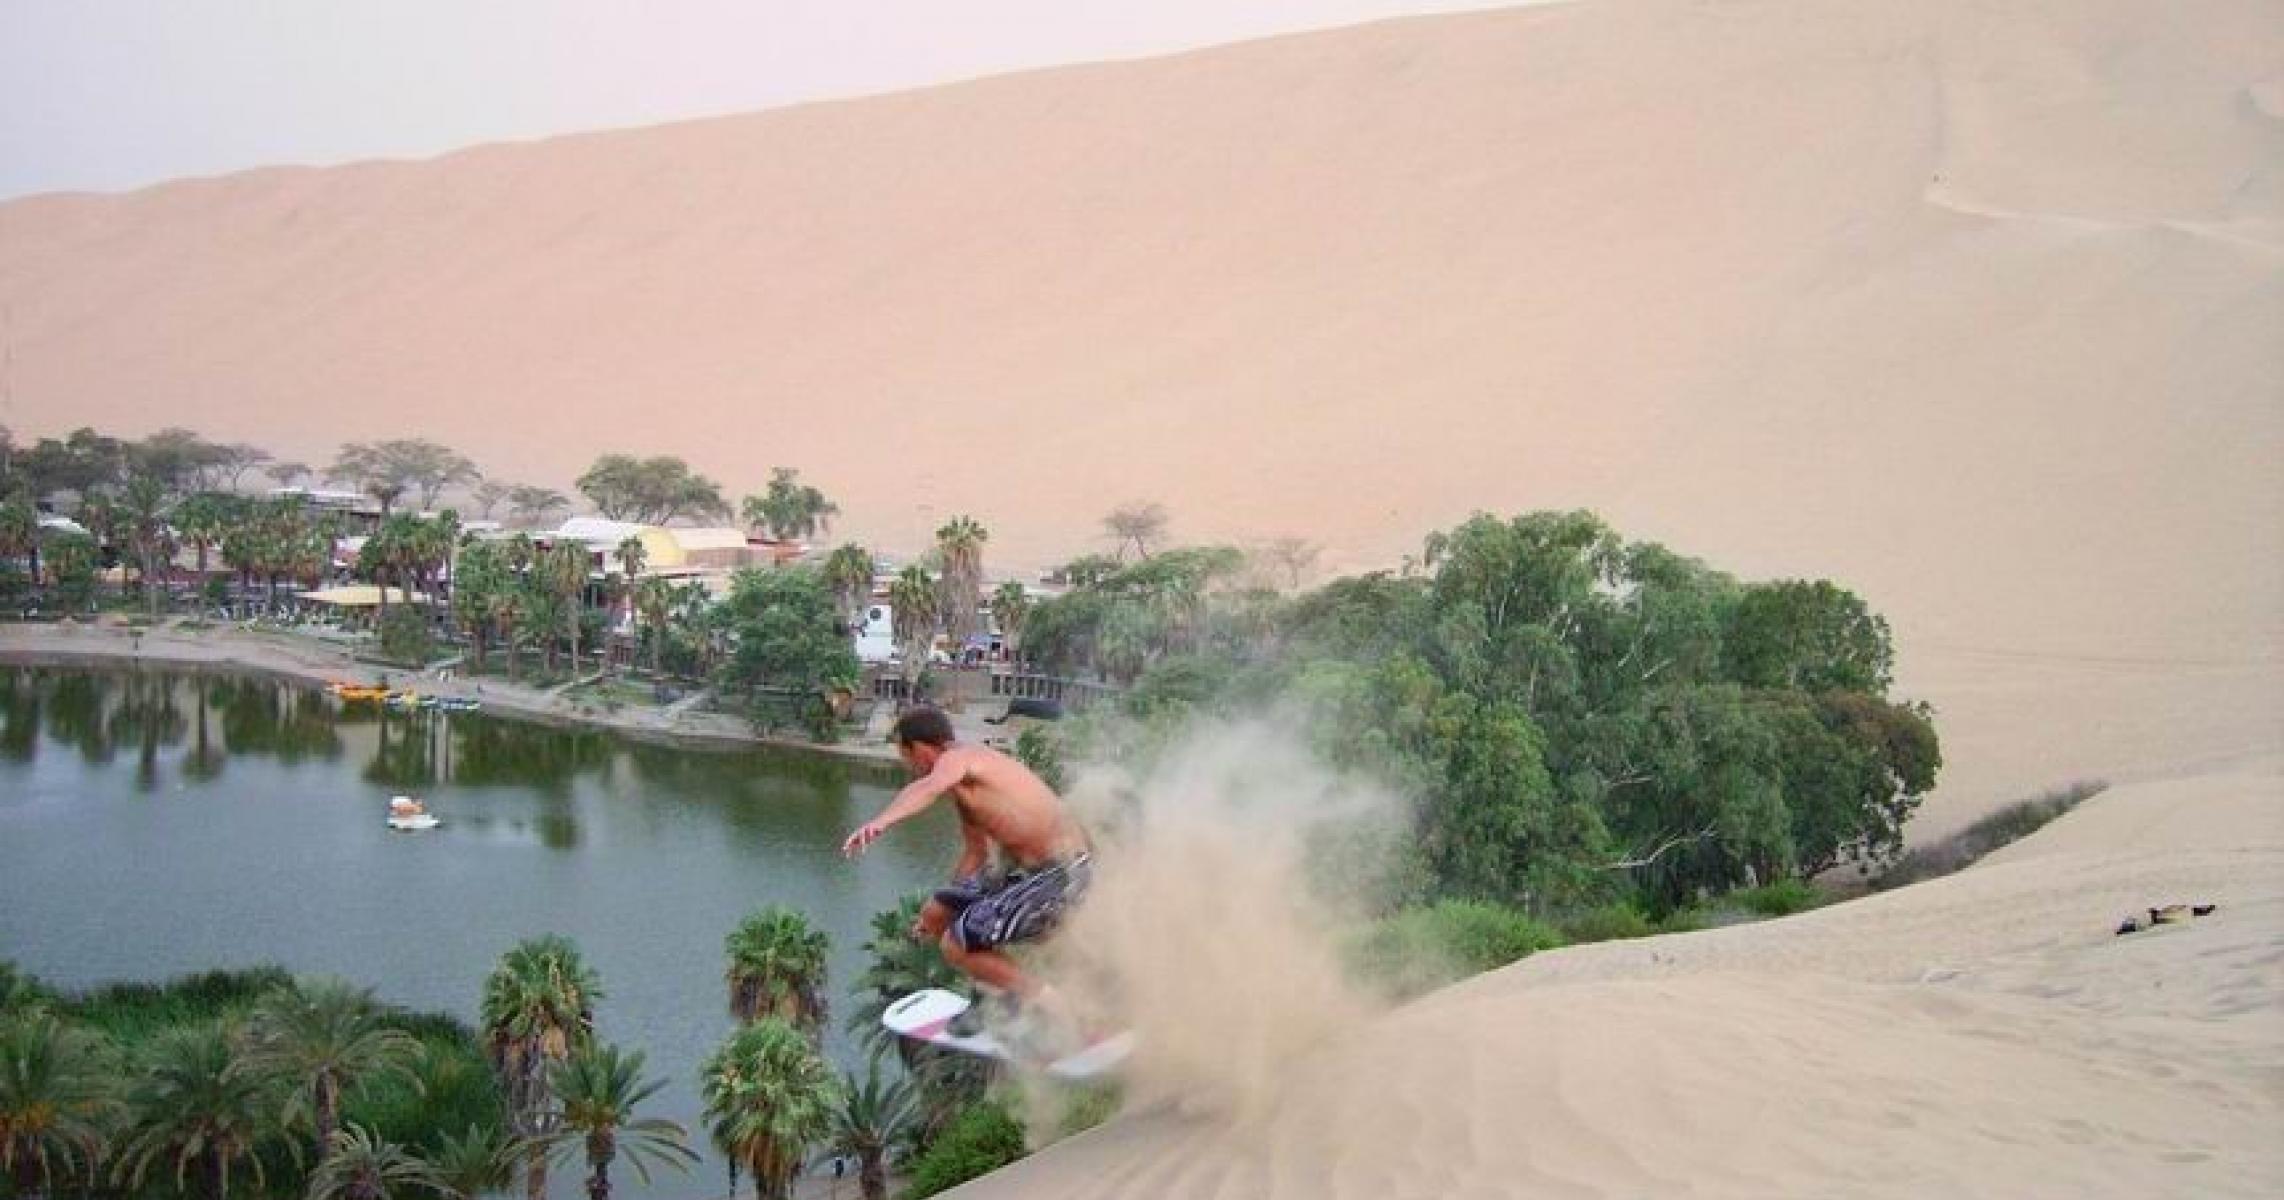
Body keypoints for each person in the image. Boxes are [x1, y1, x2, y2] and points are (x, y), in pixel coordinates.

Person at [842, 705, 1091, 1031]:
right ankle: (995, 995)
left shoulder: (959, 758)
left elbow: (926, 788)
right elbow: (975, 855)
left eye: (906, 756)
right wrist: (948, 904)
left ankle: (1052, 1007)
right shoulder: (967, 792)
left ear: (918, 747)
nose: (909, 766)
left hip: (1064, 874)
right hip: (1034, 872)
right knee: (936, 915)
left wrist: (881, 822)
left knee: (956, 944)